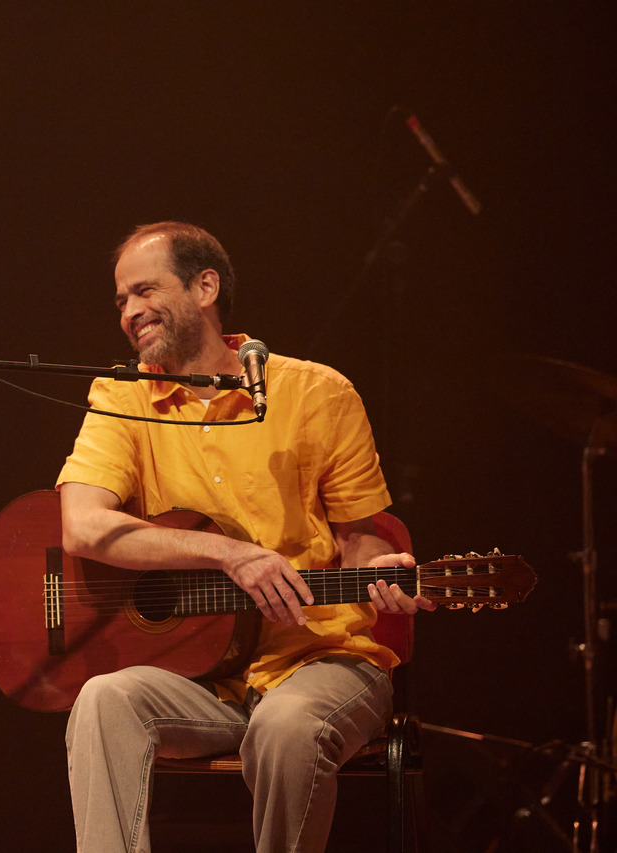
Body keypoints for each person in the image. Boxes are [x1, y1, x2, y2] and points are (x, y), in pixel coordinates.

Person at [56, 221, 435, 853]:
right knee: (102, 699)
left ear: (204, 287)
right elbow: (82, 524)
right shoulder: (124, 397)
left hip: (320, 658)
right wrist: (229, 554)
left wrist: (381, 573)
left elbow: (360, 540)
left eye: (145, 291)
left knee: (285, 728)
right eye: (121, 300)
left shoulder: (318, 393)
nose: (128, 312)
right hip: (205, 677)